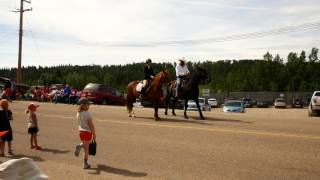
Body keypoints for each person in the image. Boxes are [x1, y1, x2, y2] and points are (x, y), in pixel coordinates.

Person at [74, 97, 96, 169]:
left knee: (85, 144)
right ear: (83, 105)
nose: (89, 106)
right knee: (86, 150)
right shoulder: (87, 114)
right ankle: (85, 163)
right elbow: (91, 125)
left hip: (81, 132)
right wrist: (94, 133)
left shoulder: (78, 113)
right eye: (88, 104)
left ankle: (80, 145)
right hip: (87, 132)